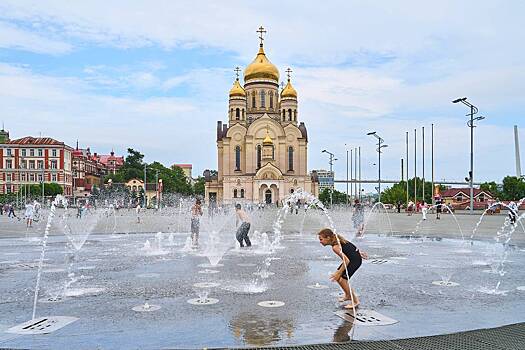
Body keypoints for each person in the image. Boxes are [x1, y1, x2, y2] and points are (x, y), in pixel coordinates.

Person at [318, 228, 368, 309]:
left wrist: (338, 273)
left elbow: (346, 261)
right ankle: (348, 295)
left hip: (354, 261)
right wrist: (358, 253)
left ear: (328, 238)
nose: (320, 241)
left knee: (342, 280)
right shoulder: (338, 240)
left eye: (321, 239)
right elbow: (350, 247)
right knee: (338, 278)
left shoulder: (335, 247)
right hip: (352, 258)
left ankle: (355, 301)